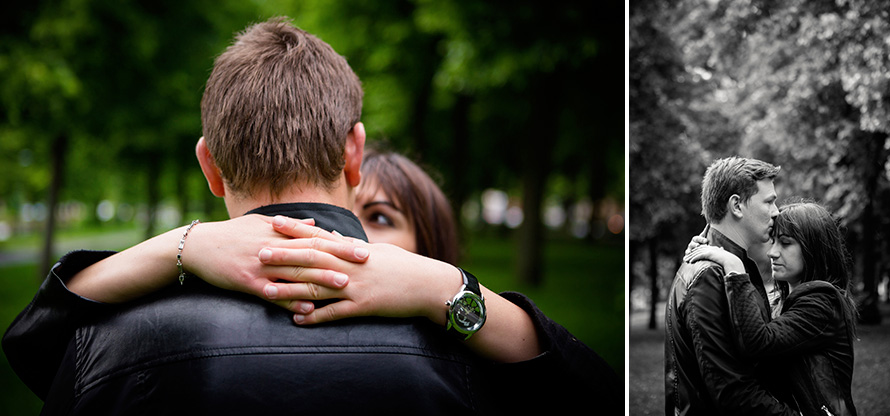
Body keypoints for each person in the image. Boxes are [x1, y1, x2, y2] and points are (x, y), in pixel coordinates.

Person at [3, 17, 617, 415]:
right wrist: (446, 289)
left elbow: (30, 353)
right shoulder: (482, 345)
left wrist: (179, 247)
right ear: (355, 152)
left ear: (209, 167)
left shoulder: (109, 337)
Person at [684, 200, 858, 416]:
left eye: (785, 243)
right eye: (773, 241)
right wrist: (707, 249)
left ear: (814, 248)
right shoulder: (797, 301)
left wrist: (735, 269)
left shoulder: (822, 304)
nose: (772, 252)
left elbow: (757, 342)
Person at [664, 156, 798, 415]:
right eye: (769, 201)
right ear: (736, 205)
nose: (776, 211)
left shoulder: (729, 265)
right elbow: (731, 392)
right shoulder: (709, 276)